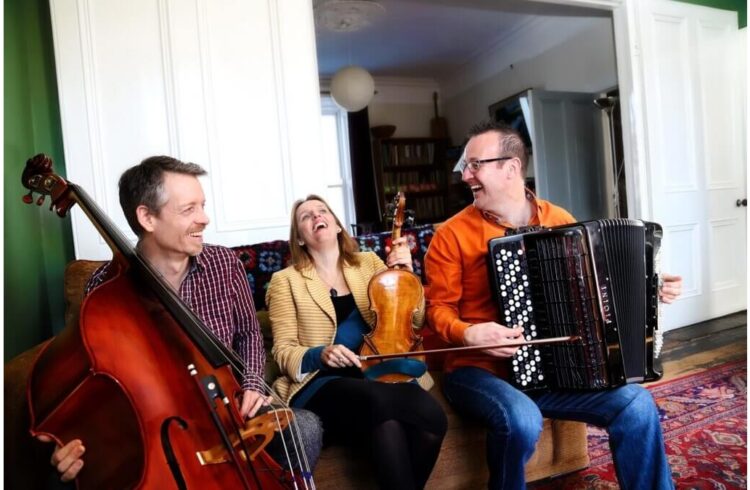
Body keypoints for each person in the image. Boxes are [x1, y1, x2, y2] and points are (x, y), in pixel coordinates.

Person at [424, 120, 683, 490]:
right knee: (522, 419)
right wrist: (469, 332)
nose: (465, 176)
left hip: (553, 371)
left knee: (637, 405)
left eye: (474, 164)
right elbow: (436, 311)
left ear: (510, 168)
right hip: (478, 370)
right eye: (464, 167)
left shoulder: (559, 220)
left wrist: (648, 291)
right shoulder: (450, 235)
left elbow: (597, 291)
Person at [36, 156, 323, 485]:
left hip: (228, 401)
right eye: (189, 209)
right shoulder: (104, 288)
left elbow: (249, 334)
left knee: (304, 427)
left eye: (202, 205)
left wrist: (253, 383)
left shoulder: (224, 263)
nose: (205, 218)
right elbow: (93, 373)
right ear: (147, 217)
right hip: (158, 416)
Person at [266, 195, 447, 490]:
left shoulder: (369, 263)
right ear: (299, 238)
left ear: (337, 225)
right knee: (393, 403)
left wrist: (408, 276)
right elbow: (283, 351)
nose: (316, 217)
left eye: (322, 211)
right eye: (305, 217)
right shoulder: (285, 281)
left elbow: (411, 324)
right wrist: (320, 354)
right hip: (322, 382)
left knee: (421, 424)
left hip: (377, 374)